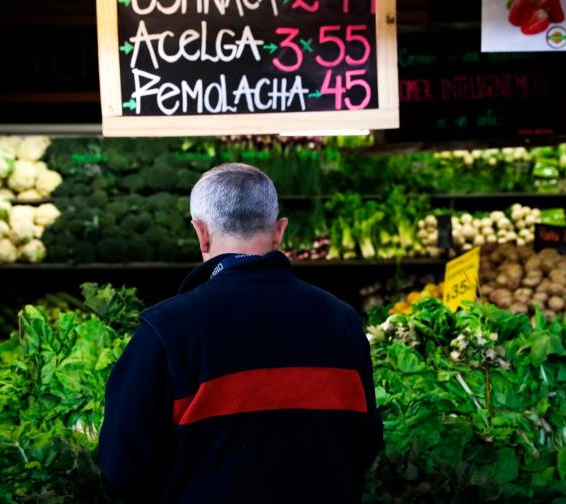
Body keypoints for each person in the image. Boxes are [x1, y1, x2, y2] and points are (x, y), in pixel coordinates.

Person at [97, 163, 383, 503]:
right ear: (279, 231)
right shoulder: (343, 321)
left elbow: (123, 470)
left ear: (200, 232)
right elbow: (365, 444)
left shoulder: (166, 330)